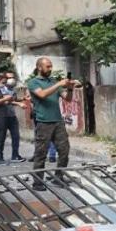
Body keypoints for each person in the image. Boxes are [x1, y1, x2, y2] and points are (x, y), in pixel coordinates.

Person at [27, 58, 77, 191]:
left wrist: (70, 88)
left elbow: (67, 98)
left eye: (51, 66)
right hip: (43, 122)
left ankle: (58, 177)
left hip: (58, 121)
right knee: (41, 154)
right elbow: (42, 94)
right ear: (39, 67)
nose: (50, 69)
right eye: (47, 66)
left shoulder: (53, 81)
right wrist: (59, 83)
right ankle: (37, 182)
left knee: (64, 150)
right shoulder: (33, 82)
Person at [0, 71, 26, 162]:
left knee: (16, 136)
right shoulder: (1, 88)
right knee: (2, 137)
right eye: (10, 78)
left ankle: (15, 155)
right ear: (5, 79)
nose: (12, 79)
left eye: (13, 77)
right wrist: (18, 104)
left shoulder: (12, 89)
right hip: (3, 116)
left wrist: (23, 99)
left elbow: (14, 99)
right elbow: (5, 101)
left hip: (12, 115)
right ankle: (0, 156)